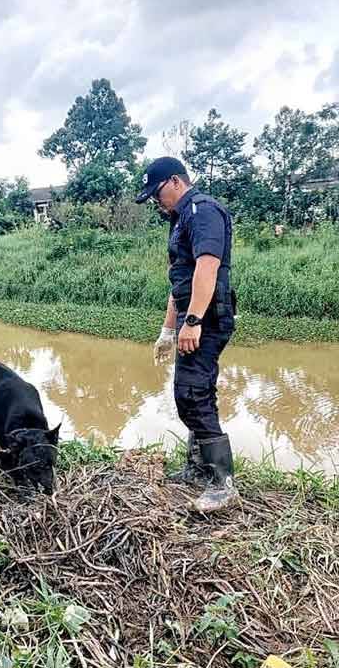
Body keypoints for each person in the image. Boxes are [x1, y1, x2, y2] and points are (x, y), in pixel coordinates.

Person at [135, 157, 240, 513]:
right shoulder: (181, 218)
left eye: (157, 192)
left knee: (191, 394)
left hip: (207, 318)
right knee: (196, 390)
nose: (156, 200)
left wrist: (193, 321)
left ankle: (222, 483)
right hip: (192, 315)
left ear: (176, 181)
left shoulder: (202, 211)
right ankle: (198, 468)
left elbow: (207, 268)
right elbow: (179, 281)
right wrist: (168, 330)